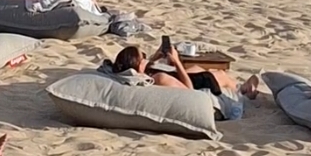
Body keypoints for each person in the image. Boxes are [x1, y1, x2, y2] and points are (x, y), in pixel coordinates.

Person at [111, 45, 259, 120]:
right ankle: (242, 92)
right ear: (138, 64)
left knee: (196, 68)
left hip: (179, 80)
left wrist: (154, 58)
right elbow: (188, 91)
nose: (145, 57)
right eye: (143, 56)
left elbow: (143, 69)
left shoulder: (141, 75)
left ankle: (242, 88)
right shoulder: (160, 78)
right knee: (220, 75)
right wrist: (177, 62)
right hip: (195, 89)